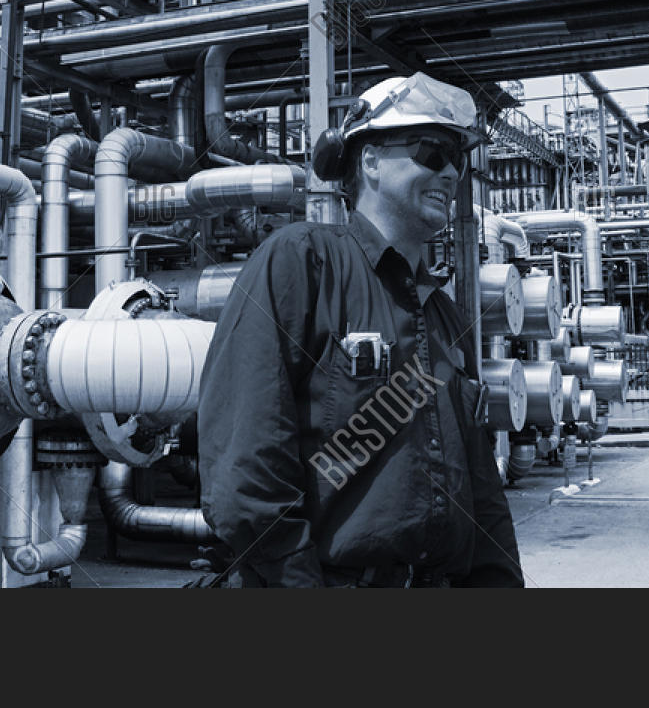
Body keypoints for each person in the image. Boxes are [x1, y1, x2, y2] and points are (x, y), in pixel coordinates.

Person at [197, 72, 523, 587]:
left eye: (459, 159)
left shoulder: (443, 315)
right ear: (369, 160)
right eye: (432, 152)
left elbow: (480, 492)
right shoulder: (303, 264)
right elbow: (247, 478)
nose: (451, 172)